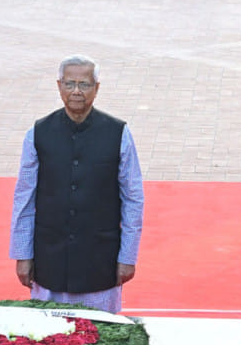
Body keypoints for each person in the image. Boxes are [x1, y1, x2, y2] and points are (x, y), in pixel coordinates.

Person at [9, 55, 144, 314]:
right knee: (49, 334)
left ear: (97, 88)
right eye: (70, 84)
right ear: (59, 86)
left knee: (100, 333)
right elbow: (24, 199)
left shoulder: (119, 134)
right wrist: (22, 255)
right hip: (49, 258)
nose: (76, 92)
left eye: (84, 84)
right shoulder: (38, 133)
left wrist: (128, 256)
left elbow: (133, 199)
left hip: (100, 260)